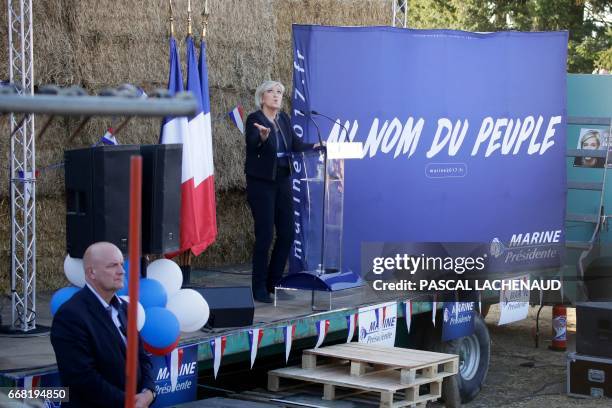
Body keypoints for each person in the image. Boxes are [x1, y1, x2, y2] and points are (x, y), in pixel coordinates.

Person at [50, 242, 155, 408]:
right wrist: (128, 402)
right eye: (113, 265)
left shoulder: (125, 308)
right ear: (91, 272)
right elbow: (82, 377)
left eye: (121, 264)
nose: (122, 271)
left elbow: (142, 357)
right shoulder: (70, 316)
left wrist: (149, 391)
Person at [244, 80, 322, 303]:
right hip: (261, 183)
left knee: (287, 233)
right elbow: (252, 143)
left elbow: (295, 145)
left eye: (279, 92)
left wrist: (315, 146)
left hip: (283, 180)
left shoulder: (284, 119)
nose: (277, 95)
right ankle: (258, 288)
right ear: (262, 98)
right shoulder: (254, 120)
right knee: (265, 235)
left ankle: (274, 283)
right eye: (271, 91)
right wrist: (263, 137)